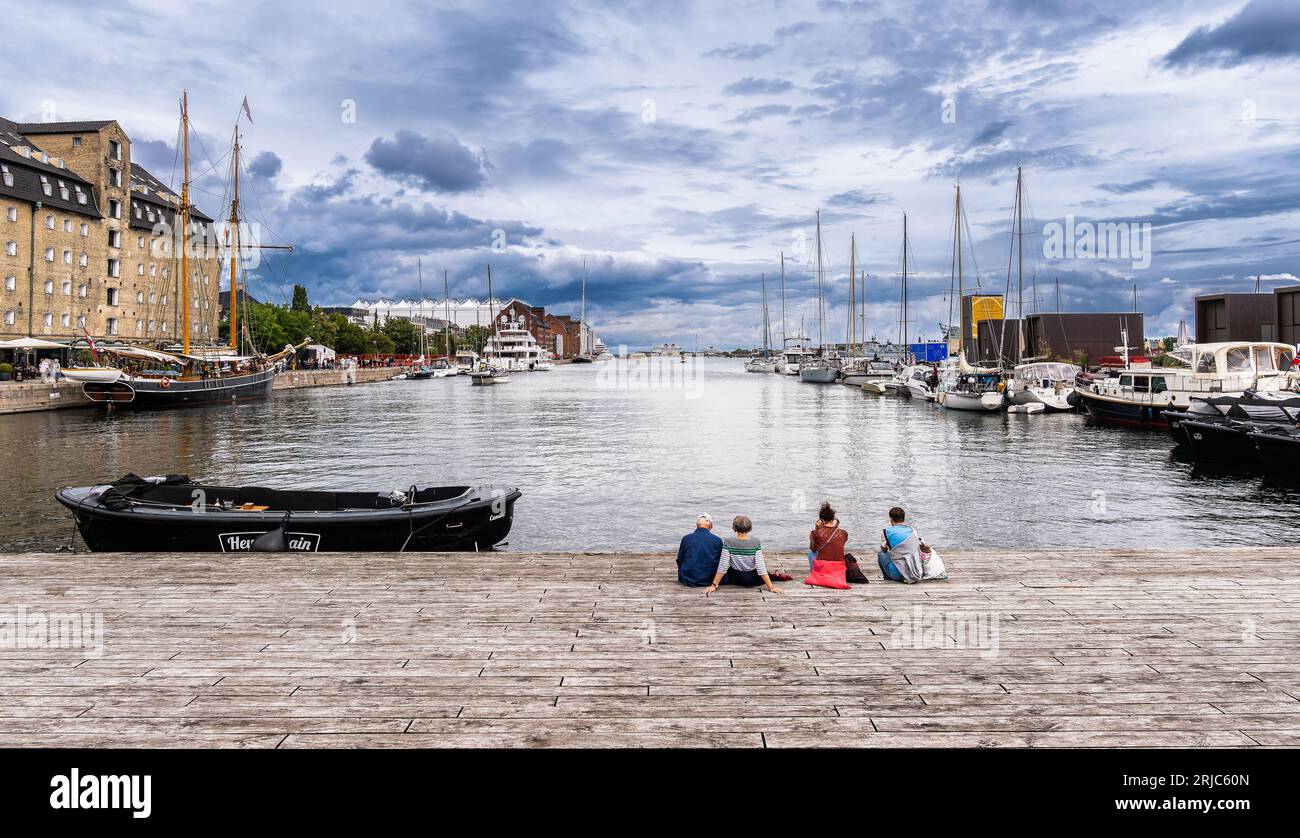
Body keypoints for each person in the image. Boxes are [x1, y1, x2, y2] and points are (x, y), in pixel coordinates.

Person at [703, 515, 781, 594]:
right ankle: (775, 576)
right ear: (749, 527)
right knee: (768, 574)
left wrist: (713, 585)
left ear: (734, 527)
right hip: (752, 580)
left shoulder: (728, 542)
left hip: (736, 579)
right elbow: (761, 568)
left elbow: (723, 566)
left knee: (726, 570)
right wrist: (771, 587)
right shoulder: (755, 542)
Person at [804, 501, 851, 589]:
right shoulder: (843, 533)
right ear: (833, 518)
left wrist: (817, 529)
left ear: (821, 520)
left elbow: (813, 549)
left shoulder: (815, 533)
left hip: (823, 567)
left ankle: (816, 574)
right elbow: (835, 545)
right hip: (838, 569)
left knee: (811, 553)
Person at [878, 506, 924, 583]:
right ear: (904, 519)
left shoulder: (886, 531)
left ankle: (887, 578)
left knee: (881, 554)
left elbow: (883, 549)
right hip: (915, 572)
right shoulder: (913, 531)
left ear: (891, 519)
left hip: (895, 575)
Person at [676, 513, 723, 587]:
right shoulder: (717, 540)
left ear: (697, 525)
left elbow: (680, 559)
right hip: (710, 578)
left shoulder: (686, 539)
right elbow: (721, 561)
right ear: (710, 526)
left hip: (689, 579)